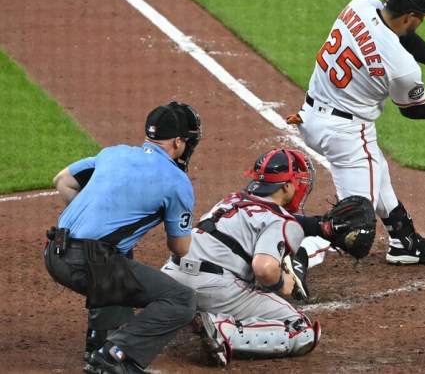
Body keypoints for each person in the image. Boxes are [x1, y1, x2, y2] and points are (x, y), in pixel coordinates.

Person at [287, 0, 425, 266]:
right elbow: (415, 110)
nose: (421, 22)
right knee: (353, 219)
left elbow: (402, 36)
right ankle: (292, 259)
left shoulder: (360, 5)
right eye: (421, 18)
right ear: (411, 16)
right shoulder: (402, 68)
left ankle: (404, 242)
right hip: (345, 135)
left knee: (377, 171)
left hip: (311, 117)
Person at [44, 101, 202, 374]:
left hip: (54, 251)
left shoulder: (112, 153)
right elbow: (180, 247)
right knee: (182, 300)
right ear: (178, 142)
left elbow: (63, 180)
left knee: (118, 258)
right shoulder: (177, 181)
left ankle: (99, 343)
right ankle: (115, 356)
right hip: (88, 264)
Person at [161, 148, 325, 366]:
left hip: (170, 278)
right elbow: (264, 269)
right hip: (213, 288)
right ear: (286, 185)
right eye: (298, 180)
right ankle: (224, 331)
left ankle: (190, 311)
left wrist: (319, 226)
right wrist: (282, 283)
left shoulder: (232, 198)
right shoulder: (283, 222)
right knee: (302, 330)